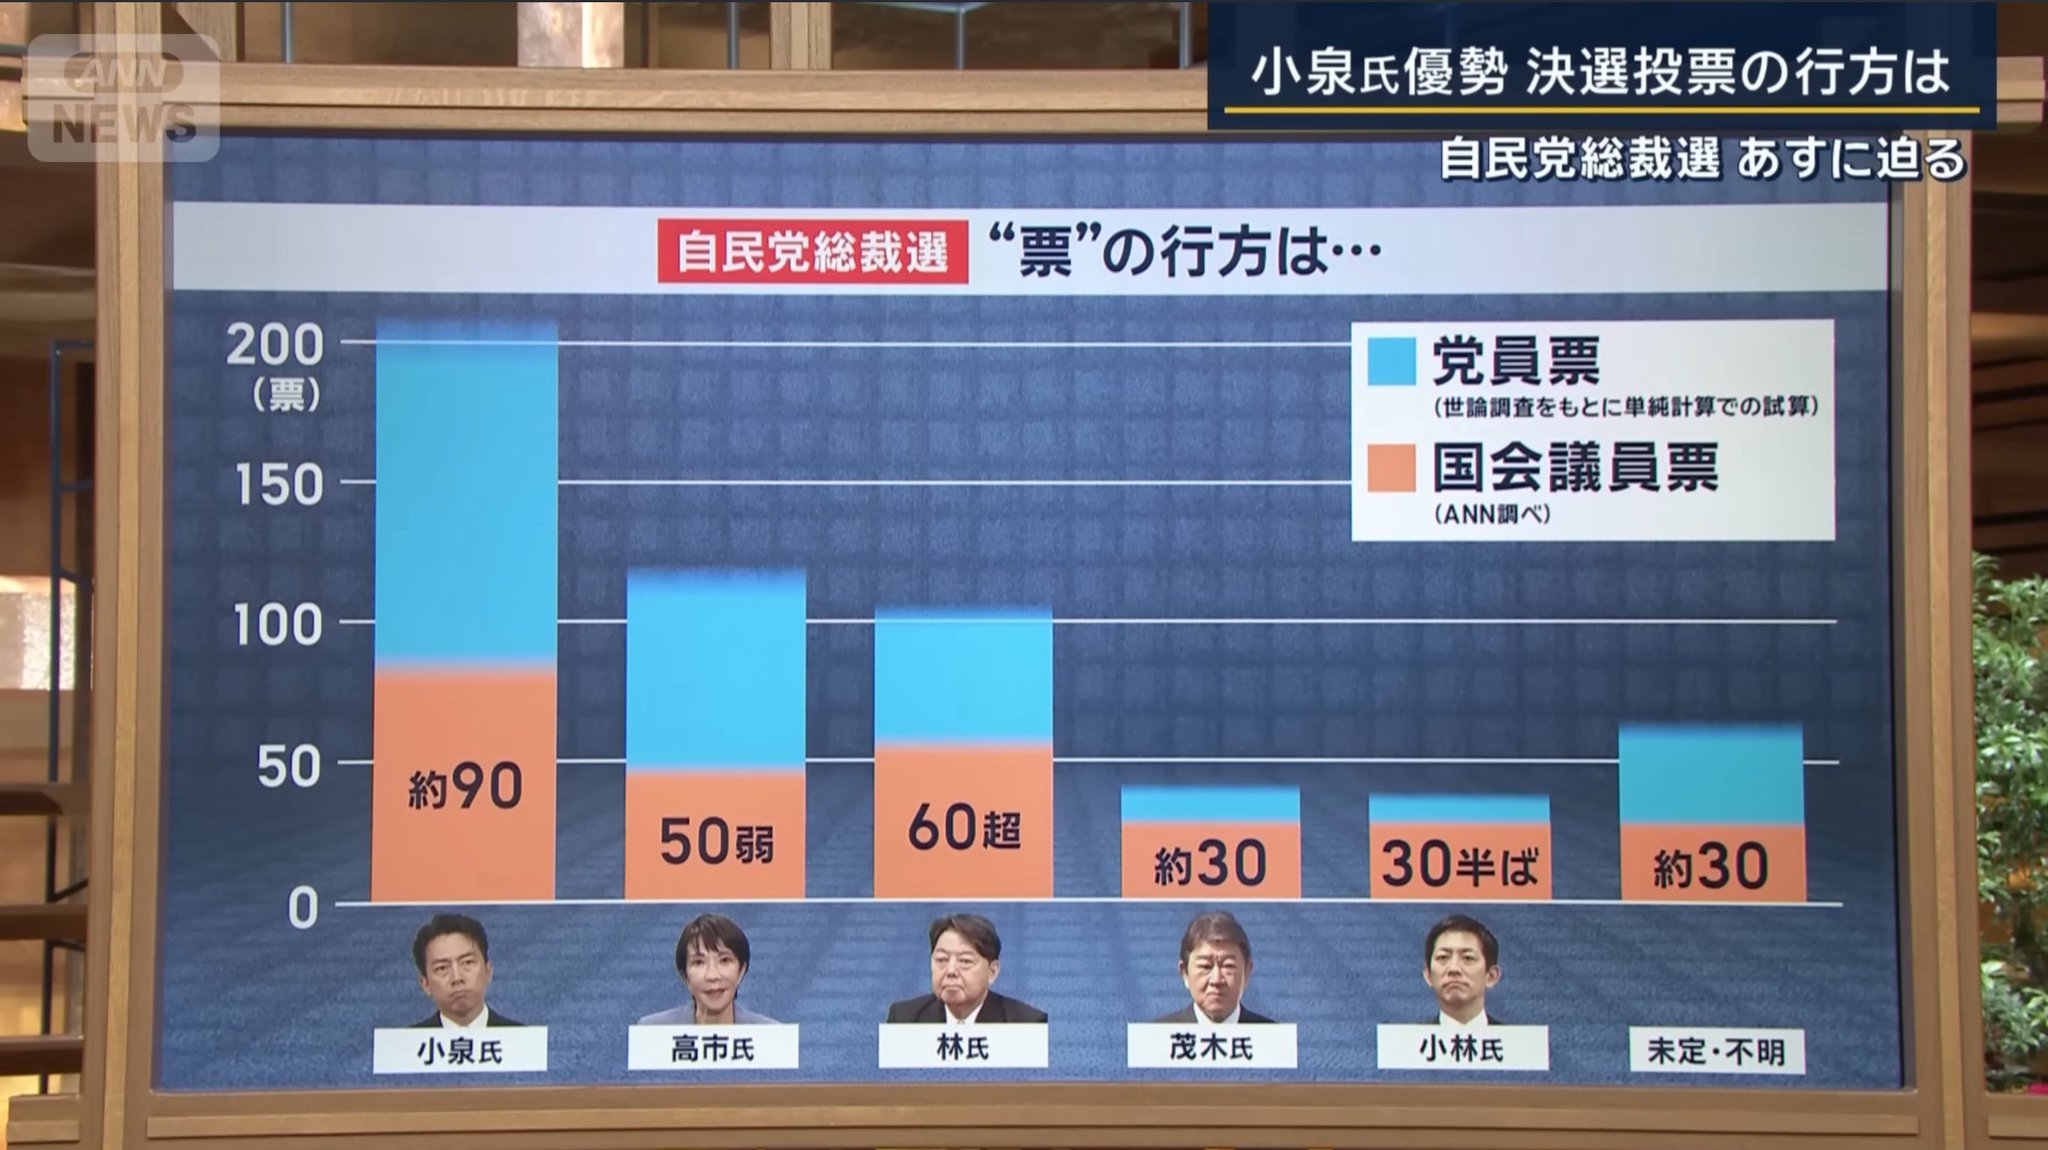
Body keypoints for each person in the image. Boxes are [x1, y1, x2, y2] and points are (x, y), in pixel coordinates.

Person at [885, 912, 1046, 1024]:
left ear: (992, 972)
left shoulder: (1026, 1023)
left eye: (965, 961)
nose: (951, 971)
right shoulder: (904, 1018)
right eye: (941, 960)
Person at [638, 912, 779, 1025]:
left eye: (724, 960)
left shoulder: (770, 1037)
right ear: (685, 975)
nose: (712, 975)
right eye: (699, 962)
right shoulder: (654, 1032)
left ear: (741, 971)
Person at [1153, 910, 1274, 1024]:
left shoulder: (1272, 1036)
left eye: (1228, 966)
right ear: (1184, 973)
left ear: (1247, 972)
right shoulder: (1158, 1035)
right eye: (1205, 966)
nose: (1216, 980)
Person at [407, 913, 524, 1028]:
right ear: (425, 984)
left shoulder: (521, 1036)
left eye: (467, 962)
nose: (457, 978)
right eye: (442, 968)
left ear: (487, 971)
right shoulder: (410, 1039)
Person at [1422, 913, 1502, 1027]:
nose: (1454, 969)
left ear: (1491, 976)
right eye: (1443, 957)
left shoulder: (1513, 1037)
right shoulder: (1412, 1038)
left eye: (1468, 958)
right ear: (1428, 975)